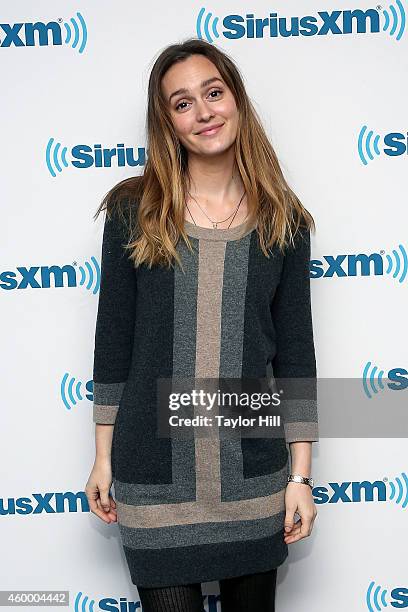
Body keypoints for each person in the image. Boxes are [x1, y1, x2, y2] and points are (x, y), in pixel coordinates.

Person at [85, 37, 319, 612]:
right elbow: (113, 345)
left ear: (236, 99)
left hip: (252, 476)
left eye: (213, 93)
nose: (204, 112)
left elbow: (295, 356)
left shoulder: (282, 221)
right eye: (182, 102)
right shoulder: (132, 213)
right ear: (167, 122)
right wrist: (103, 457)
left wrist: (301, 477)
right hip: (153, 472)